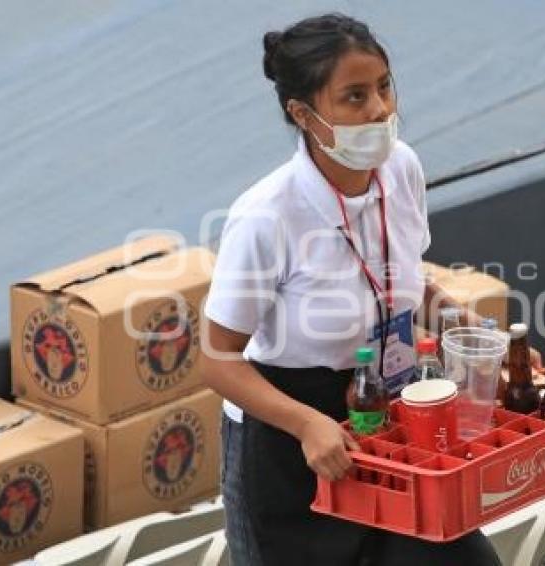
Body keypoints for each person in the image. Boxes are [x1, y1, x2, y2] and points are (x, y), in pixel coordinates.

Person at [201, 13, 506, 566]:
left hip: (389, 405)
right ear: (303, 114)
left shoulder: (402, 167)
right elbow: (218, 360)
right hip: (290, 433)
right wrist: (307, 424)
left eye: (385, 86)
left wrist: (455, 320)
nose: (381, 110)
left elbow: (404, 275)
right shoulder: (265, 216)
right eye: (355, 97)